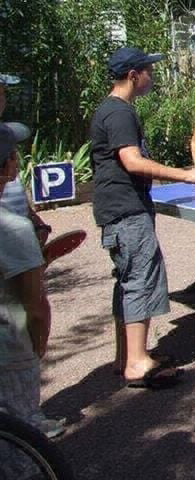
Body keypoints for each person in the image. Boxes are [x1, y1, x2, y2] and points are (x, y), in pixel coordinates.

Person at [90, 47, 195, 389]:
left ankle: (127, 356)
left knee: (129, 279)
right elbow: (132, 161)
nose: (153, 75)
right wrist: (186, 175)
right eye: (148, 70)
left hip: (121, 208)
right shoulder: (119, 113)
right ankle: (136, 363)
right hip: (126, 211)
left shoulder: (114, 110)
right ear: (133, 75)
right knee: (141, 279)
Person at [0, 122, 64, 439]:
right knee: (22, 439)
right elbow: (36, 307)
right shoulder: (12, 228)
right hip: (12, 347)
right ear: (10, 165)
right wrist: (38, 345)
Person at [0, 73, 52, 247]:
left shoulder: (5, 136)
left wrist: (32, 217)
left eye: (3, 94)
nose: (3, 100)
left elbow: (13, 184)